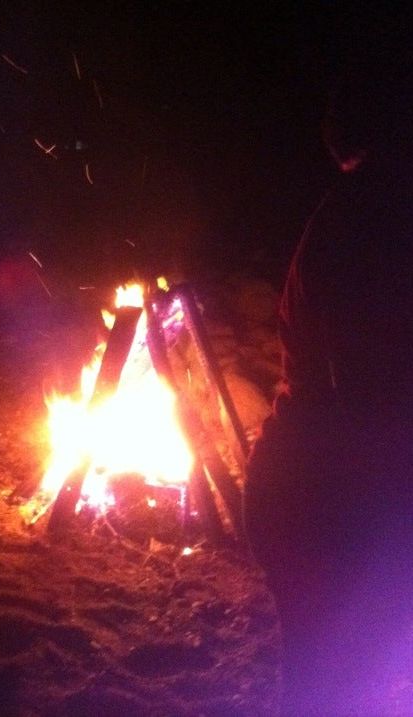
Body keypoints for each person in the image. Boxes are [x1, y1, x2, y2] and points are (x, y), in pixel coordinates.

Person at [245, 20, 413, 716]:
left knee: (327, 681)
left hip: (305, 488)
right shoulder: (373, 219)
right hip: (336, 503)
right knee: (338, 686)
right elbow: (367, 387)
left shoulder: (348, 212)